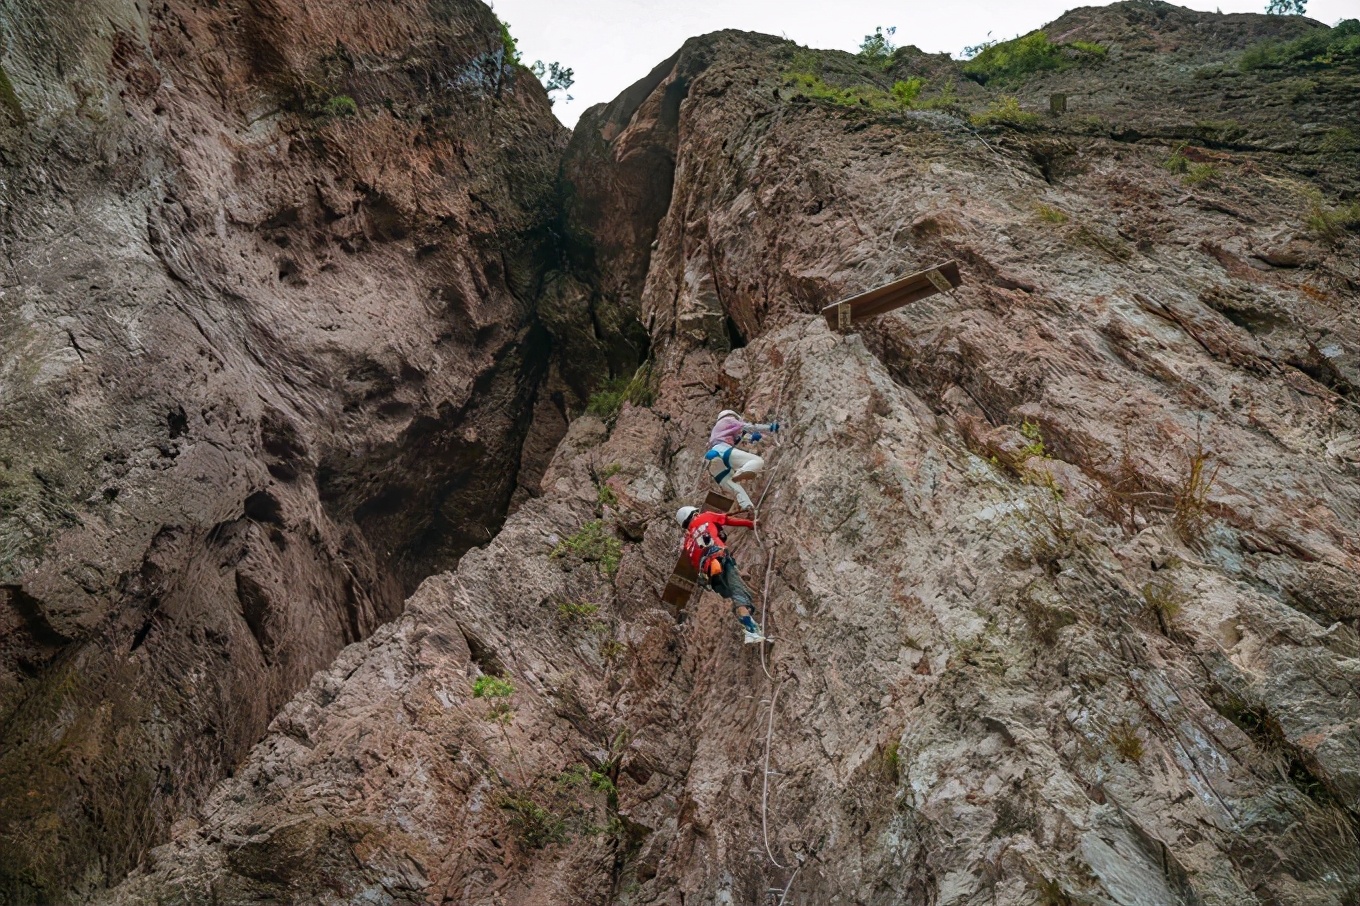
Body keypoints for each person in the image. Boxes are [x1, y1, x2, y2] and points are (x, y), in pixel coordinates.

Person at [676, 505, 767, 644]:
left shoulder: (688, 543)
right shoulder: (705, 517)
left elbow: (695, 563)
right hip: (720, 560)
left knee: (734, 593)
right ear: (694, 514)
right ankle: (751, 631)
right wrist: (750, 523)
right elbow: (728, 520)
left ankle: (751, 625)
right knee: (740, 594)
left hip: (712, 576)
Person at [706, 409, 778, 512]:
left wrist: (751, 438)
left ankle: (747, 507)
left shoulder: (717, 429)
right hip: (723, 451)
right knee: (758, 461)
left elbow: (736, 438)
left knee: (734, 486)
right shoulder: (729, 420)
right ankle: (740, 472)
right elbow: (747, 427)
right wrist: (769, 428)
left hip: (712, 460)